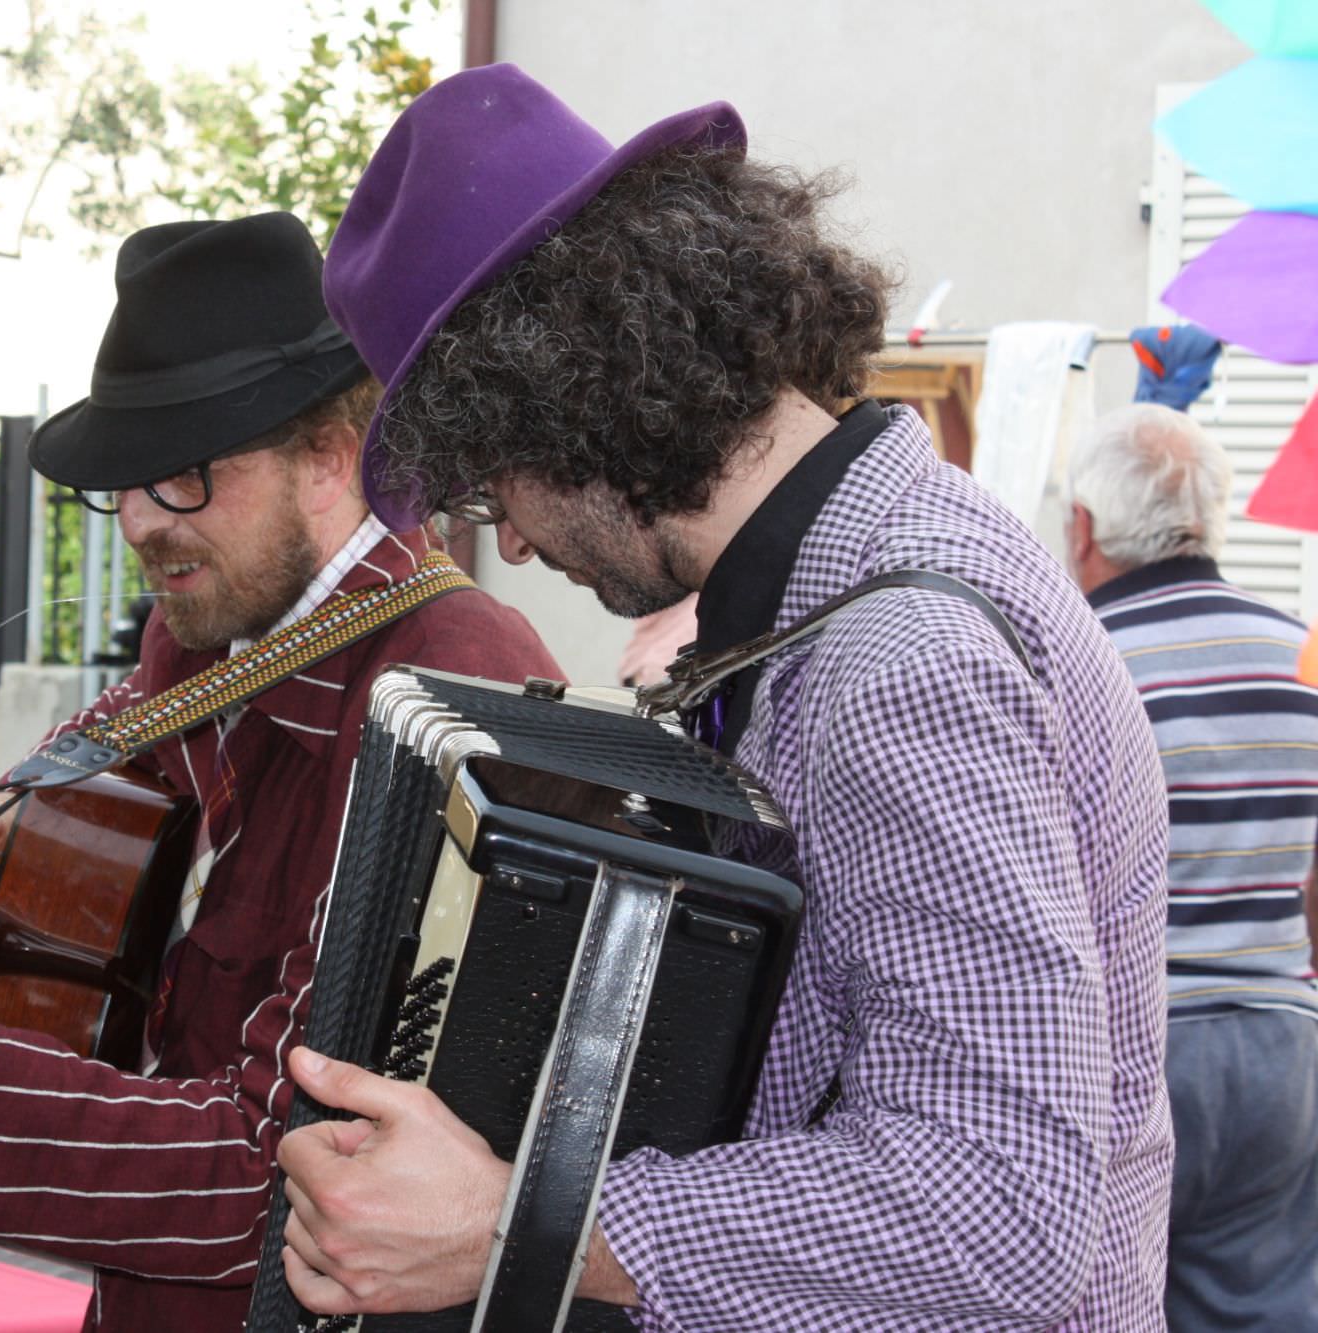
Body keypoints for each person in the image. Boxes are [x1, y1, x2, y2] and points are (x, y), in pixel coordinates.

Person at [274, 64, 1172, 1328]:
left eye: (489, 485)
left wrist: (510, 1222)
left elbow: (996, 1205)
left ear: (564, 396)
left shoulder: (897, 655)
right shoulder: (879, 563)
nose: (515, 546)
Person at [0, 212, 559, 1331]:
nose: (133, 521)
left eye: (176, 477)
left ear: (326, 454)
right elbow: (99, 819)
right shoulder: (209, 628)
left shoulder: (452, 687)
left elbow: (286, 1171)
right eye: (119, 483)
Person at [1066, 402, 1318, 1328]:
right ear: (1209, 518)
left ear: (1084, 528)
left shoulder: (1079, 664)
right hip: (1285, 1053)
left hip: (1135, 1044)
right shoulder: (1305, 655)